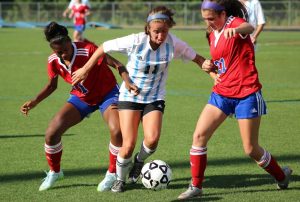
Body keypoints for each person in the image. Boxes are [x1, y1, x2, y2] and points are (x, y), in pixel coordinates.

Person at [72, 6, 216, 193]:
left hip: (155, 97)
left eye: (164, 31)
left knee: (153, 139)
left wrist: (211, 72)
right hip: (130, 97)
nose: (160, 35)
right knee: (128, 144)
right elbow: (103, 48)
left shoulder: (174, 43)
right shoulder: (135, 41)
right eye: (156, 31)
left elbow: (198, 59)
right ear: (148, 29)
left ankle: (139, 162)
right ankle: (120, 179)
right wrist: (85, 70)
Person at [177, 0, 292, 200]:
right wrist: (209, 66)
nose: (209, 23)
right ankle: (196, 186)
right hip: (222, 93)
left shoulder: (234, 23)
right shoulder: (211, 34)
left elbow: (249, 27)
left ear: (223, 15)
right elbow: (222, 62)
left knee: (250, 149)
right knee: (199, 136)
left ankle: (281, 176)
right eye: (205, 19)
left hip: (246, 93)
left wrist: (238, 29)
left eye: (212, 19)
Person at [20, 21, 127, 192]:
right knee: (51, 133)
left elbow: (117, 64)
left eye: (65, 50)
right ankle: (55, 172)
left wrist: (127, 82)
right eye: (58, 51)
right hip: (82, 98)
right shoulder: (54, 61)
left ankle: (112, 173)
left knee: (117, 131)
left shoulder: (88, 49)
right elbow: (51, 86)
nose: (62, 54)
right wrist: (34, 101)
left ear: (70, 41)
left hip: (107, 95)